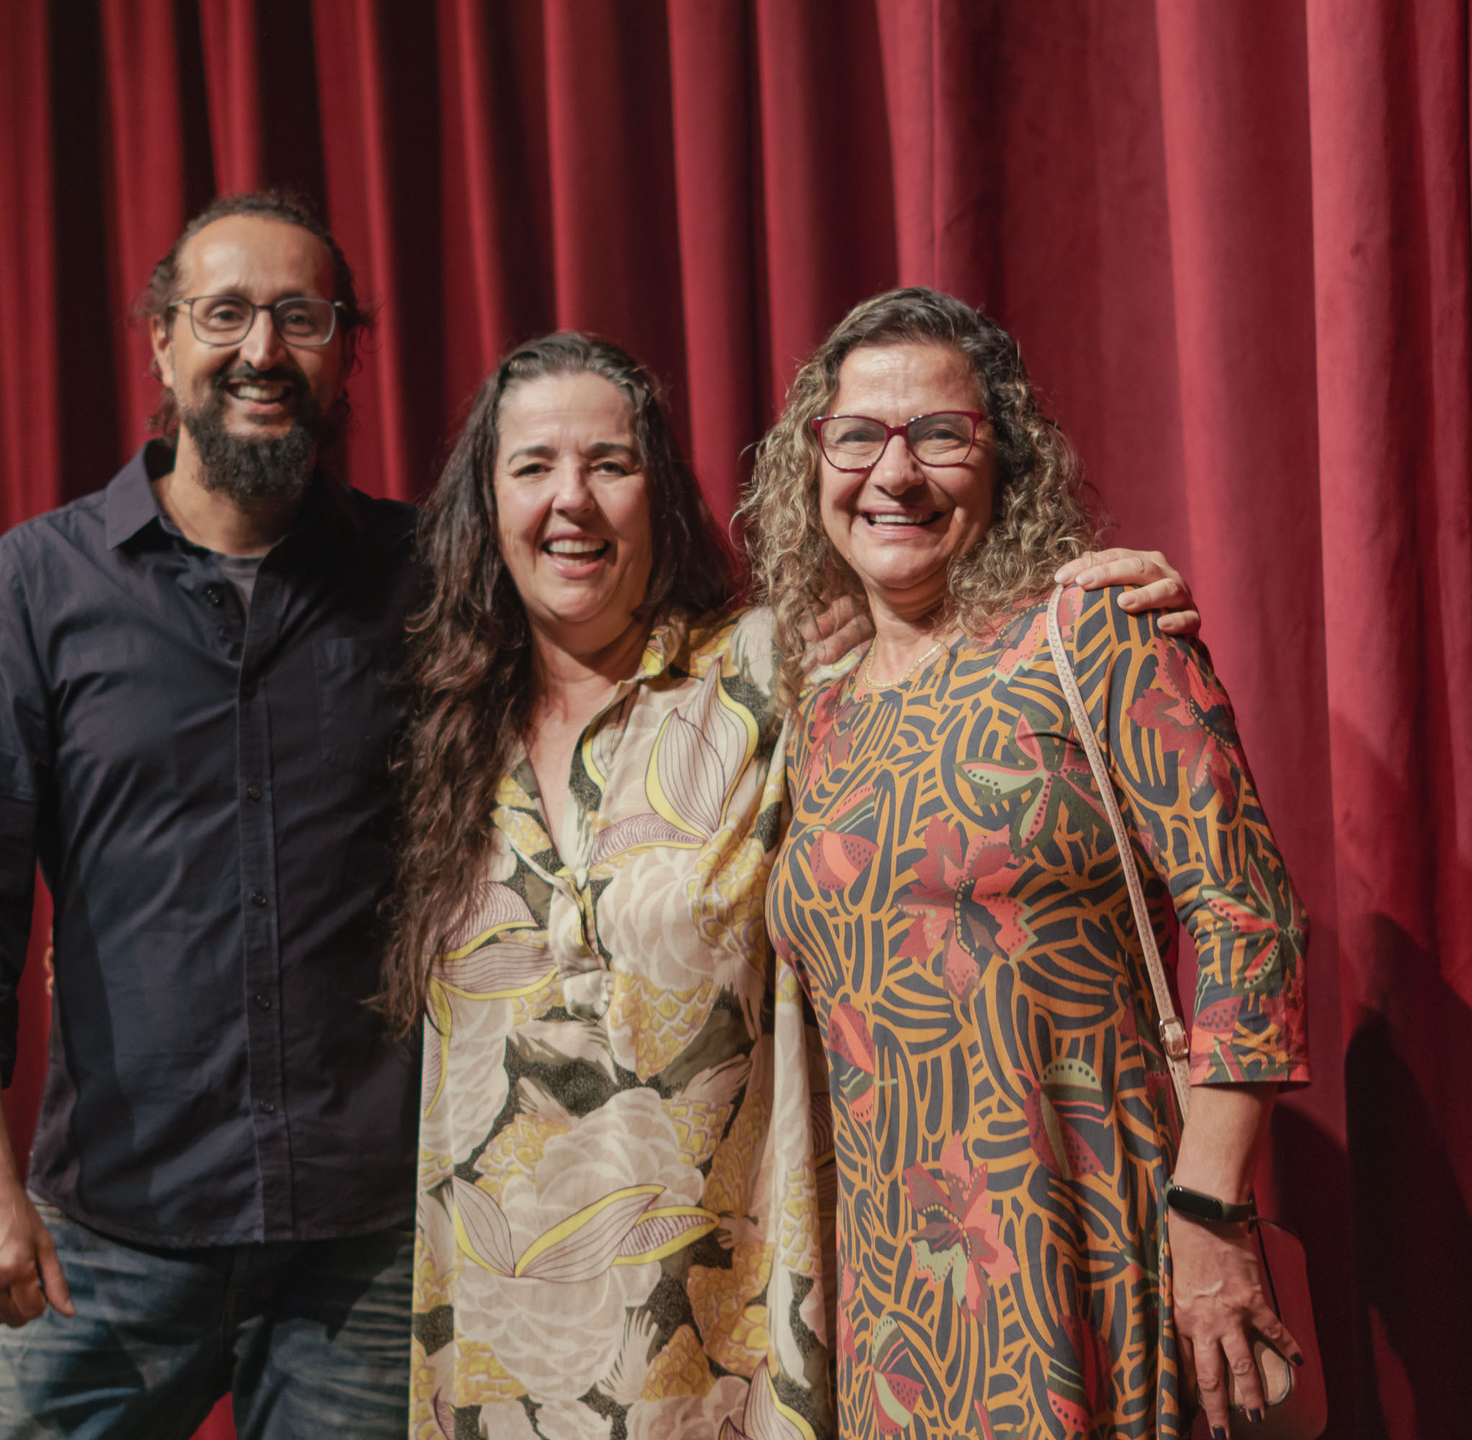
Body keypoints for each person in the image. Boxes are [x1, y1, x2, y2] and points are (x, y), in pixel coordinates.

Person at [382, 333, 1204, 1440]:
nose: (570, 500)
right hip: (494, 1346)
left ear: (659, 493)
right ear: (486, 506)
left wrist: (1094, 595)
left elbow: (938, 619)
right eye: (532, 467)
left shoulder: (775, 676)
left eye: (609, 463)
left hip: (720, 1356)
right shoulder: (442, 739)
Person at [747, 288, 1309, 1440]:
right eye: (857, 436)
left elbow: (1252, 923)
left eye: (941, 435)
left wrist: (1211, 1214)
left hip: (1093, 1252)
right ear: (814, 465)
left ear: (1006, 459)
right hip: (889, 1300)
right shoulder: (818, 711)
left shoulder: (1091, 635)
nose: (893, 473)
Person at [0, 191, 419, 1439]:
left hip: (368, 1241)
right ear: (159, 341)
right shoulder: (38, 585)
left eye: (301, 317)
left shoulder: (426, 579)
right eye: (225, 313)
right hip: (112, 1229)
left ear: (349, 349)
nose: (260, 351)